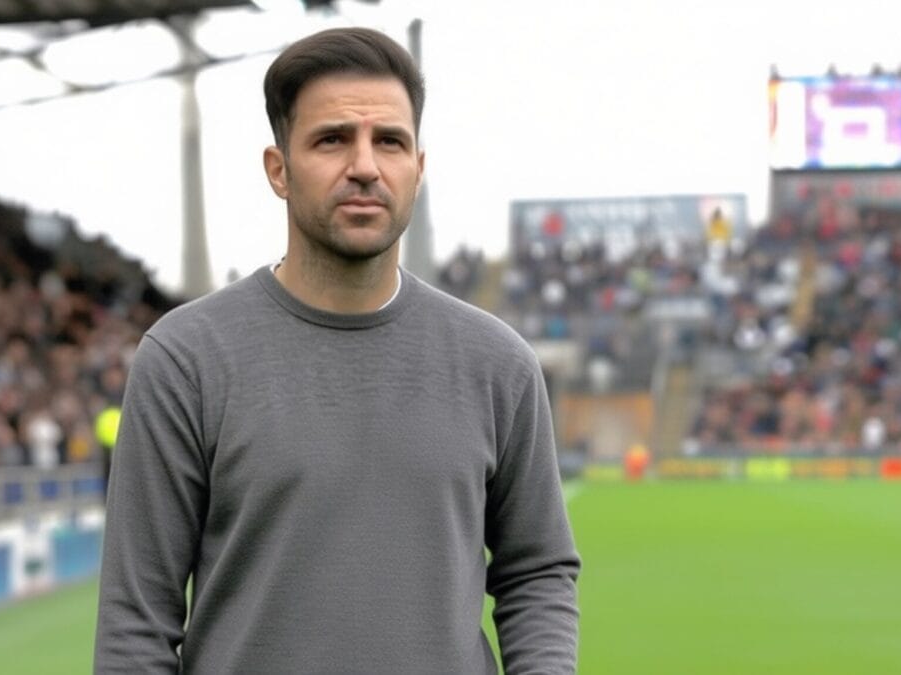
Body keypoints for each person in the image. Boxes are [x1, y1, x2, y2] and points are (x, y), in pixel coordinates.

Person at [94, 27, 580, 674]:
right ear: (279, 169)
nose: (365, 166)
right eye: (332, 139)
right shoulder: (186, 359)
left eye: (390, 142)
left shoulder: (499, 365)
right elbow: (136, 624)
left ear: (418, 168)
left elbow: (537, 571)